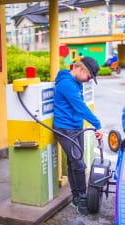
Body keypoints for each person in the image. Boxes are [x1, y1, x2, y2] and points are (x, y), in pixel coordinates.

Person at [53, 57, 103, 216]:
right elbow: (80, 107)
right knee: (79, 163)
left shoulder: (76, 83)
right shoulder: (67, 84)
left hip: (75, 127)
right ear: (81, 69)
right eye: (89, 77)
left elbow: (78, 108)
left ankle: (76, 196)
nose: (89, 81)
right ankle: (81, 197)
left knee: (74, 162)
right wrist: (97, 124)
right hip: (64, 129)